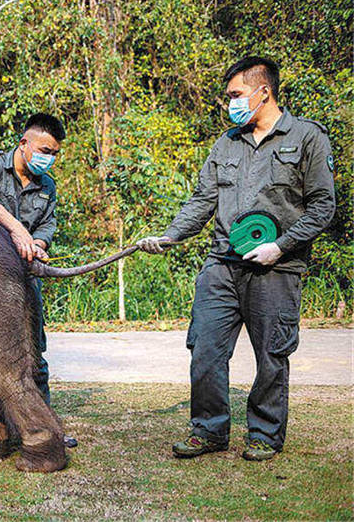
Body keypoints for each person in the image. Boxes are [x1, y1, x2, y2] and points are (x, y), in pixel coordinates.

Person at [137, 57, 336, 461]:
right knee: (205, 348)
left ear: (263, 92)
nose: (230, 103)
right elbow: (202, 200)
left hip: (276, 268)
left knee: (271, 355)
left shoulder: (307, 137)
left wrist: (281, 246)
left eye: (236, 95)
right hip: (222, 264)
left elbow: (322, 206)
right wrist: (172, 235)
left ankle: (264, 434)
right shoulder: (226, 143)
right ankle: (209, 430)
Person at [0, 113, 77, 448]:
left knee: (33, 352)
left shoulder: (47, 186)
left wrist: (38, 244)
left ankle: (43, 426)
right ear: (24, 143)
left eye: (54, 154)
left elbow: (47, 225)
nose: (49, 159)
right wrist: (18, 232)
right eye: (44, 150)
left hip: (25, 277)